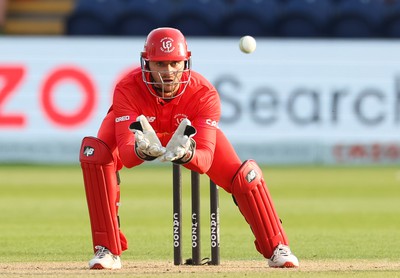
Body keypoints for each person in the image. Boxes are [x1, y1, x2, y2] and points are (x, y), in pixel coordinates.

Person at [79, 27, 299, 270]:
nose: (169, 72)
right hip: (144, 124)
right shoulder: (127, 88)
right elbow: (128, 155)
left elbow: (205, 159)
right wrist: (141, 150)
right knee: (95, 154)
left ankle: (278, 248)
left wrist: (188, 153)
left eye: (175, 63)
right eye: (160, 64)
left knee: (245, 177)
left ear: (186, 62)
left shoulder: (204, 93)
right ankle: (107, 250)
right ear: (146, 63)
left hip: (185, 131)